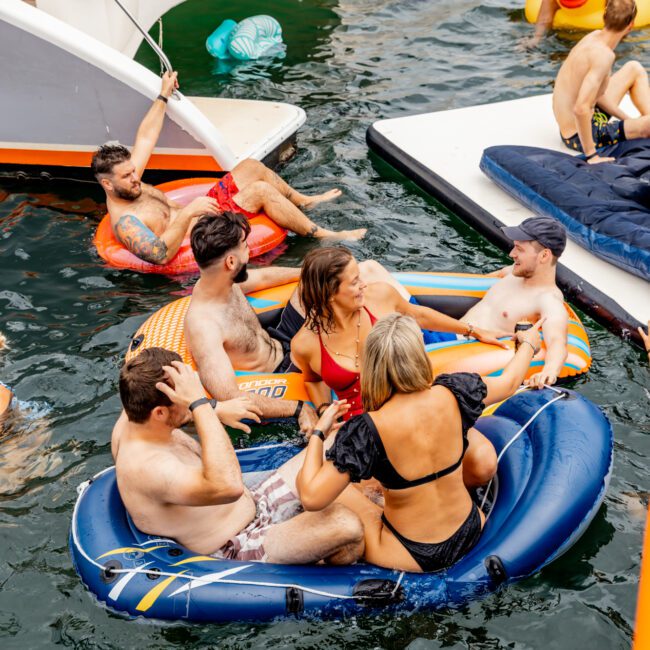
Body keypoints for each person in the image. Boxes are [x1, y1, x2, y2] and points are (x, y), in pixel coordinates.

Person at [296, 313, 544, 573]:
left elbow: (312, 498)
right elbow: (509, 382)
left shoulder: (367, 429)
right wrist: (528, 343)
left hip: (414, 554)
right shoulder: (455, 391)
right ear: (419, 354)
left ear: (372, 365)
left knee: (339, 489)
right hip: (471, 529)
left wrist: (318, 434)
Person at [112, 347, 364, 563]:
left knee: (344, 440)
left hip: (257, 501)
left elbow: (142, 379)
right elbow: (229, 486)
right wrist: (200, 405)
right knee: (346, 525)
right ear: (159, 413)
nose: (191, 400)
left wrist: (215, 407)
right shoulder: (150, 467)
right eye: (184, 399)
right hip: (238, 544)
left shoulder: (136, 414)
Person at [90, 72, 365, 266]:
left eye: (133, 170)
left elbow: (146, 136)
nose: (136, 176)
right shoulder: (125, 222)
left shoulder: (129, 180)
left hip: (201, 211)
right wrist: (189, 213)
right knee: (259, 191)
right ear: (108, 185)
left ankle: (303, 202)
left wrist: (163, 94)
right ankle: (326, 235)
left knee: (250, 167)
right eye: (127, 176)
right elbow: (160, 254)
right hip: (204, 230)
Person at [290, 247, 510, 422]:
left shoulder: (379, 297)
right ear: (329, 294)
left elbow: (419, 316)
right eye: (355, 281)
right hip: (360, 427)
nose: (363, 284)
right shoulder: (305, 343)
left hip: (411, 407)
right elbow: (313, 380)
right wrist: (324, 409)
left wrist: (474, 331)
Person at [462, 216, 570, 389]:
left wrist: (549, 371)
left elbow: (558, 342)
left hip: (458, 352)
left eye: (519, 249)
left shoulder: (547, 300)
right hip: (448, 332)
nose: (512, 254)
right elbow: (467, 285)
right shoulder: (512, 272)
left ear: (544, 255)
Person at [552, 0, 650, 164]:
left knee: (634, 68)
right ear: (631, 26)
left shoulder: (593, 37)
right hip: (579, 135)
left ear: (604, 16)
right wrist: (592, 155)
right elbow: (581, 108)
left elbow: (596, 96)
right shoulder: (604, 56)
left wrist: (628, 121)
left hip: (581, 120)